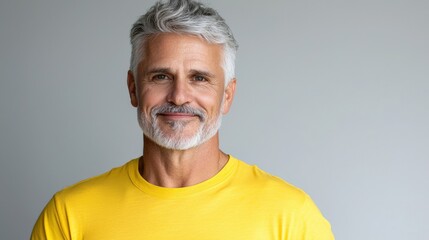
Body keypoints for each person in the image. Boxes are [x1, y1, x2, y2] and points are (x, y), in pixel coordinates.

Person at [31, 0, 334, 239]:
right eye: (160, 76)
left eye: (199, 78)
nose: (179, 96)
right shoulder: (69, 214)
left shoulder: (291, 216)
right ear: (133, 88)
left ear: (227, 95)